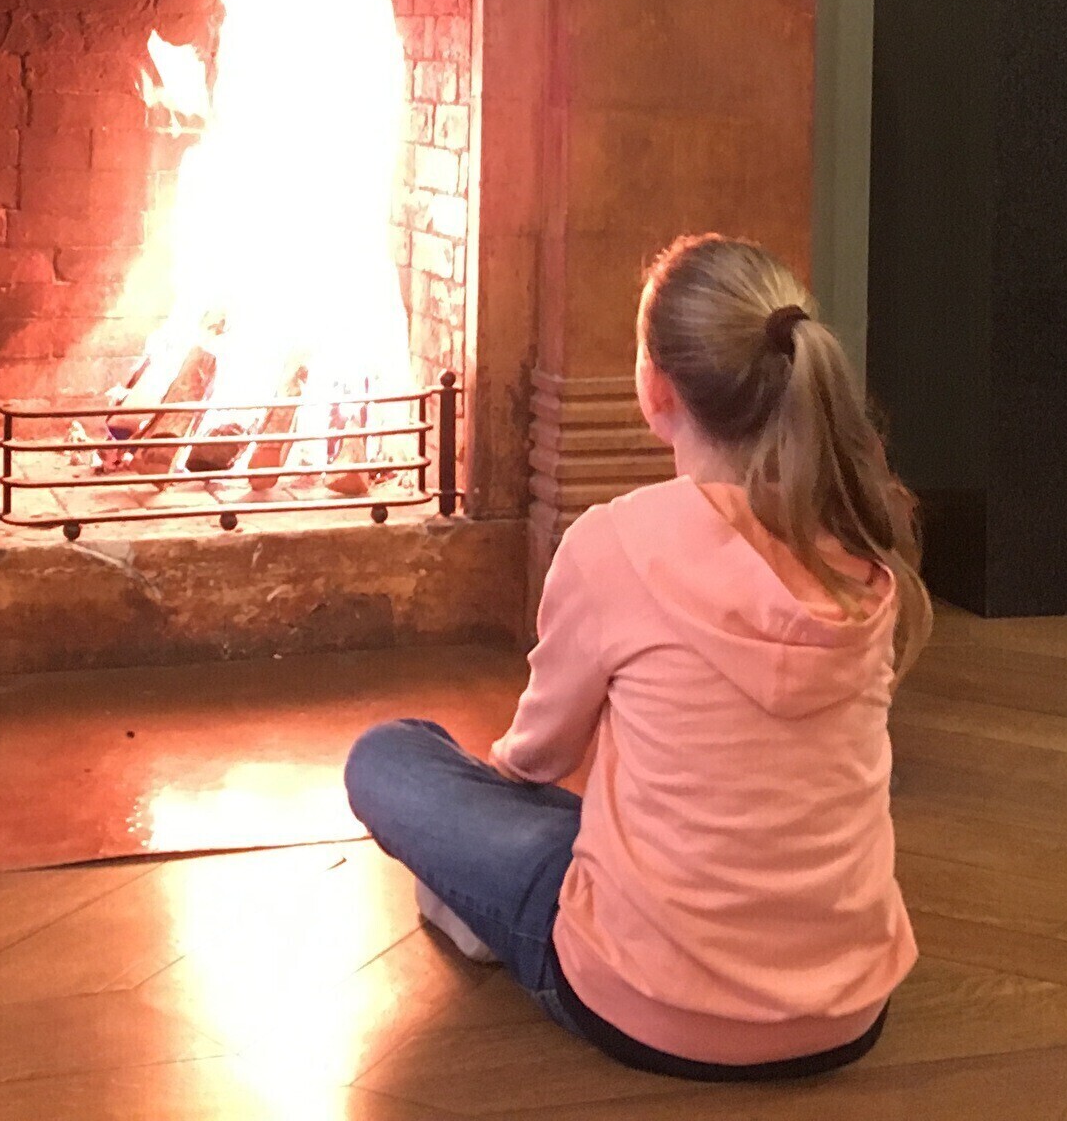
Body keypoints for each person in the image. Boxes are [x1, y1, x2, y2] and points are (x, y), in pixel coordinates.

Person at [344, 234, 932, 1081]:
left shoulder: (617, 542)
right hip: (848, 1011)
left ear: (654, 388)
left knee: (391, 756)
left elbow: (538, 757)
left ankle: (489, 909)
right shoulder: (859, 549)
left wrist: (486, 809)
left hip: (643, 1004)